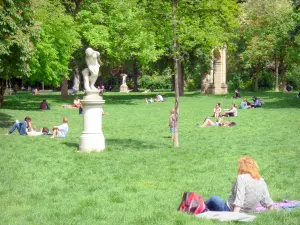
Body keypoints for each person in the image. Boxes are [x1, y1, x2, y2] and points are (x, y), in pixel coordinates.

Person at [205, 156, 274, 213]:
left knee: (213, 199)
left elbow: (239, 198)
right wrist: (272, 210)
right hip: (250, 212)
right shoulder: (260, 180)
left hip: (230, 209)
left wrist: (235, 216)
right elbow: (266, 199)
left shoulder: (241, 178)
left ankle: (199, 206)